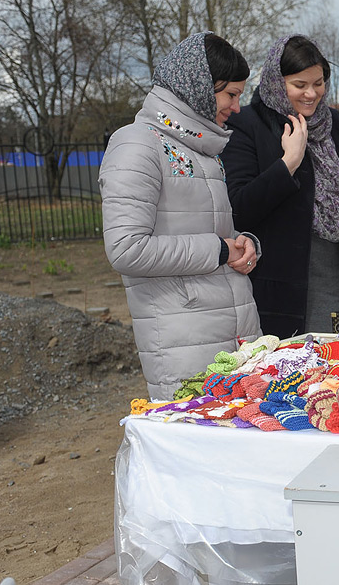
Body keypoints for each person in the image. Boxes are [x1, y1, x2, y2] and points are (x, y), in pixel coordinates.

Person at [101, 32, 262, 401]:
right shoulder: (136, 144)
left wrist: (244, 244)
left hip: (232, 331)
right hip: (182, 341)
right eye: (231, 95)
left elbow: (215, 232)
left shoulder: (205, 150)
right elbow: (127, 249)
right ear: (201, 86)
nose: (237, 107)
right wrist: (220, 250)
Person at [224, 34, 339, 337]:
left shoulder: (332, 122)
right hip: (285, 289)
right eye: (299, 85)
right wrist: (288, 163)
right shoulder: (247, 124)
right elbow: (239, 208)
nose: (311, 94)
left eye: (318, 83)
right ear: (276, 82)